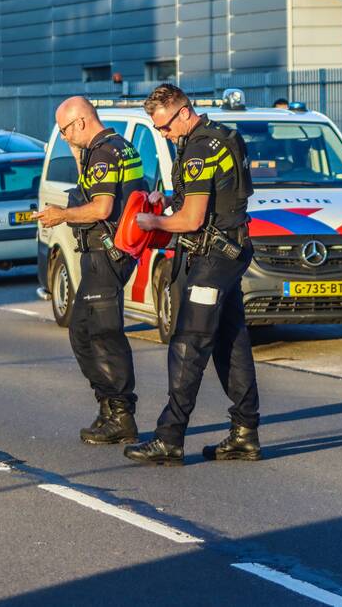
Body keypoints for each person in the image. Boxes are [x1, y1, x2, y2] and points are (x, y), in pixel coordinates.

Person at [124, 83, 260, 466]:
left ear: (183, 111)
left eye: (164, 126)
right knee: (230, 341)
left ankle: (169, 438)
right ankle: (245, 433)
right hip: (230, 249)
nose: (162, 134)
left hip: (213, 257)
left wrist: (150, 219)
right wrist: (168, 202)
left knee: (188, 342)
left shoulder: (198, 148)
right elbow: (212, 198)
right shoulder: (221, 136)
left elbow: (192, 219)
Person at [36, 97, 146, 445]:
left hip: (104, 254)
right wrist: (77, 153)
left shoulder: (101, 154)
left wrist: (61, 215)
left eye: (66, 131)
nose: (66, 138)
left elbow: (101, 208)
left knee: (99, 334)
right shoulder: (122, 147)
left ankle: (118, 413)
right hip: (115, 252)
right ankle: (112, 409)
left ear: (81, 122)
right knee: (88, 330)